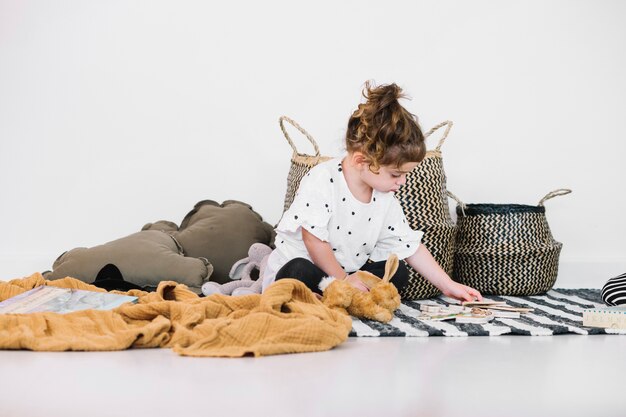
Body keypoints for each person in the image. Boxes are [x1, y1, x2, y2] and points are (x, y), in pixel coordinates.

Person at [262, 81, 482, 303]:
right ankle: (325, 296)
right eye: (396, 175)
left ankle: (339, 300)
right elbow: (314, 241)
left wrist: (449, 285)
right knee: (297, 271)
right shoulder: (323, 179)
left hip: (349, 275)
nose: (402, 182)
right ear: (361, 161)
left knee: (398, 271)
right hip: (313, 269)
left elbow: (409, 246)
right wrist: (342, 281)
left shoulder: (384, 197)